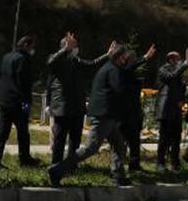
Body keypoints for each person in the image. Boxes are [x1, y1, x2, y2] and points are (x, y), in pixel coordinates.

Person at [48, 43, 153, 186]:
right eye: (124, 57)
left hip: (109, 115)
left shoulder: (110, 68)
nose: (126, 60)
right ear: (120, 57)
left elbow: (125, 73)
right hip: (105, 115)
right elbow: (119, 90)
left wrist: (144, 58)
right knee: (90, 148)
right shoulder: (113, 71)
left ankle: (118, 175)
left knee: (119, 145)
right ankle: (57, 170)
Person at [47, 32, 114, 164]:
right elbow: (50, 63)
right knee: (59, 139)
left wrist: (107, 55)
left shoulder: (76, 61)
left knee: (75, 140)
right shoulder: (57, 60)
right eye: (73, 45)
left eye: (76, 45)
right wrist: (65, 50)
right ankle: (55, 165)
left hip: (77, 107)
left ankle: (70, 165)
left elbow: (92, 64)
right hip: (63, 108)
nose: (76, 48)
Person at [0, 35, 40, 168]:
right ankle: (25, 159)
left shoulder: (7, 57)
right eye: (32, 47)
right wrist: (26, 103)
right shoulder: (23, 59)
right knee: (23, 132)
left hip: (3, 100)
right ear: (25, 46)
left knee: (2, 132)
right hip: (18, 102)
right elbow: (23, 83)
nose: (32, 50)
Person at [155, 49, 188, 172]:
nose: (179, 62)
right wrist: (185, 64)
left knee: (176, 138)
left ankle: (175, 163)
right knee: (164, 139)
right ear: (170, 60)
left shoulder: (178, 73)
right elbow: (171, 77)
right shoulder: (163, 70)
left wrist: (183, 101)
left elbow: (181, 89)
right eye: (177, 59)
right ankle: (160, 163)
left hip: (176, 110)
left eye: (180, 59)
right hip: (165, 109)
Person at [119, 47, 155, 172]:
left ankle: (134, 165)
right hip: (124, 113)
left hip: (134, 111)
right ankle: (119, 166)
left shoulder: (132, 75)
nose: (134, 61)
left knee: (134, 141)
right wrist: (144, 58)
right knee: (121, 141)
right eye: (132, 59)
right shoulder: (123, 71)